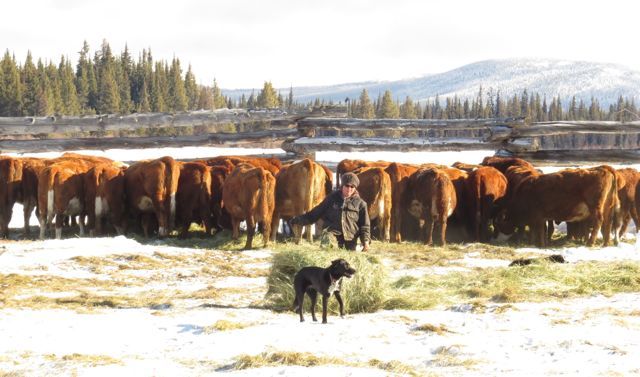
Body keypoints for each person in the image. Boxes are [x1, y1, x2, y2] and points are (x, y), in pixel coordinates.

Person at [290, 172, 370, 251]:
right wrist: (298, 220)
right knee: (327, 245)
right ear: (342, 186)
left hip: (350, 238)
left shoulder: (361, 204)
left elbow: (365, 225)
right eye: (347, 186)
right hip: (331, 234)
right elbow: (315, 213)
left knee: (346, 261)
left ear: (355, 188)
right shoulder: (331, 199)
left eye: (352, 187)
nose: (349, 189)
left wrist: (365, 242)